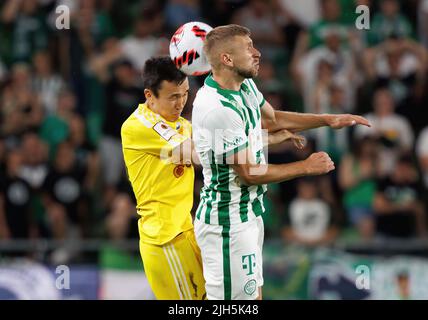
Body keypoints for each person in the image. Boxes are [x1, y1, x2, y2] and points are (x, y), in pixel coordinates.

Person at [191, 24, 370, 300]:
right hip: (227, 224)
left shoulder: (244, 85)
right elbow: (249, 173)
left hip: (248, 214)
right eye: (248, 48)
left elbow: (271, 119)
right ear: (226, 59)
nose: (257, 52)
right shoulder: (216, 109)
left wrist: (326, 120)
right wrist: (305, 167)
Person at [120, 56, 205, 300]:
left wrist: (268, 137)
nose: (181, 103)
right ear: (149, 95)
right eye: (173, 97)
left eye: (185, 94)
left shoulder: (180, 125)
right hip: (165, 238)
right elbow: (197, 154)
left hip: (185, 231)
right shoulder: (139, 126)